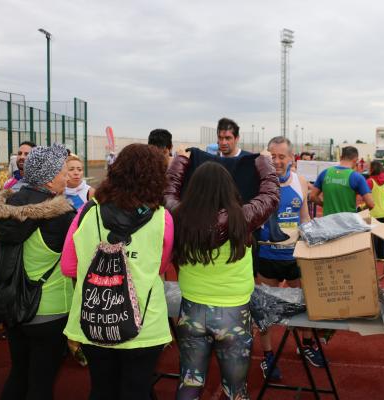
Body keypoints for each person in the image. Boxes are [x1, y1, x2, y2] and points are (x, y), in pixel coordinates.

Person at [61, 144, 174, 400]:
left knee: (101, 389)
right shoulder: (162, 218)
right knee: (137, 389)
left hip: (94, 317)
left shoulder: (87, 211)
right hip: (144, 322)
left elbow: (68, 266)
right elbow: (160, 267)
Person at [165, 151, 279, 399]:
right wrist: (264, 161)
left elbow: (167, 193)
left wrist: (180, 161)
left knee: (189, 381)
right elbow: (270, 195)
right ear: (229, 188)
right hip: (234, 313)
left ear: (193, 188)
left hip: (192, 310)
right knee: (235, 389)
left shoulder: (179, 215)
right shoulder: (243, 217)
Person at [0, 143, 75, 400]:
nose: (67, 176)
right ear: (49, 178)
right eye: (63, 171)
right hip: (50, 309)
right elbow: (75, 262)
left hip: (12, 304)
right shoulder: (61, 216)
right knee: (42, 382)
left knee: (19, 372)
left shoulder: (8, 206)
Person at [256, 137, 323, 380]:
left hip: (294, 256)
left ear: (291, 158)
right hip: (267, 256)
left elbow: (304, 216)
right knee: (263, 309)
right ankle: (268, 356)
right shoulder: (259, 183)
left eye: (281, 156)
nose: (276, 161)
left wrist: (311, 241)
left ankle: (305, 345)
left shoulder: (301, 182)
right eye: (272, 156)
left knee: (305, 303)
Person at [310, 146, 374, 215]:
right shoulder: (357, 177)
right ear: (355, 160)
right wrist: (359, 209)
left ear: (341, 157)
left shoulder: (325, 173)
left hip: (328, 221)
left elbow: (312, 196)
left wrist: (325, 205)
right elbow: (371, 204)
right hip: (348, 221)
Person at [367, 161, 384, 261]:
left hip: (373, 211)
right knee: (382, 234)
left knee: (373, 235)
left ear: (372, 169)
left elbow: (365, 195)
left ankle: (373, 256)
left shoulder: (370, 181)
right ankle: (382, 255)